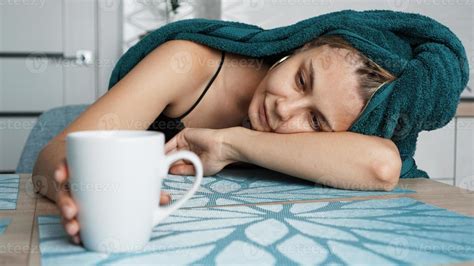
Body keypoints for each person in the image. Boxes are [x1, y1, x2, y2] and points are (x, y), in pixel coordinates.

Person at [32, 34, 399, 245]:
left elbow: (381, 167)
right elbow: (55, 152)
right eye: (302, 80)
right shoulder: (186, 63)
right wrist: (79, 188)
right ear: (300, 46)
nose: (285, 110)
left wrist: (229, 143)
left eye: (316, 120)